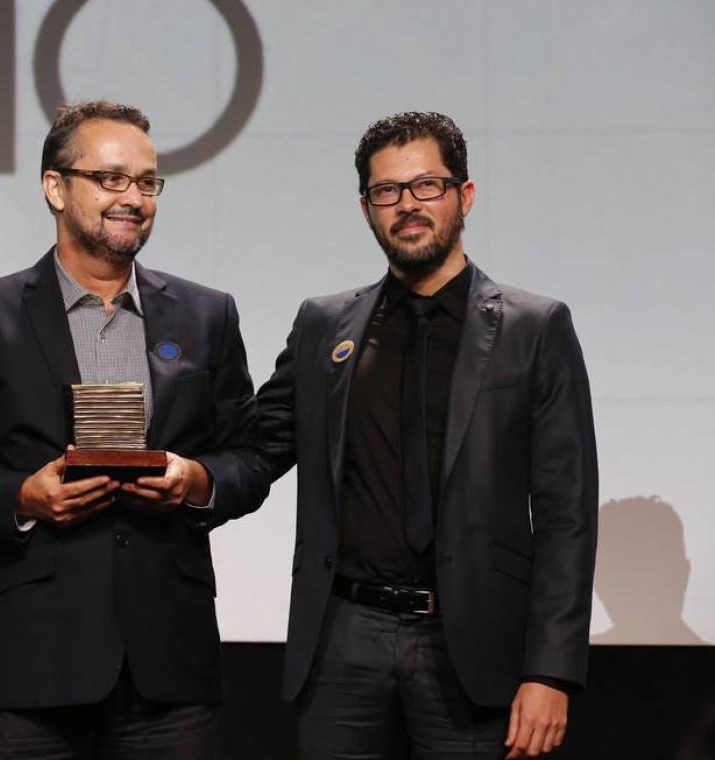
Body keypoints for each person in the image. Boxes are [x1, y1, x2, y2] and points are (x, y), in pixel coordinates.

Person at [0, 100, 268, 758]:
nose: (134, 198)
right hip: (26, 667)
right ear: (55, 188)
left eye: (147, 182)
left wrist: (196, 479)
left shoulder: (206, 315)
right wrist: (22, 497)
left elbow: (248, 455)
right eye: (111, 178)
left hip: (168, 670)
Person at [256, 112, 597, 758]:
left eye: (426, 186)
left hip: (470, 646)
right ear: (365, 208)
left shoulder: (535, 328)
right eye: (386, 191)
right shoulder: (323, 325)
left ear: (463, 196)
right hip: (342, 640)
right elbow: (260, 442)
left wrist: (549, 670)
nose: (406, 205)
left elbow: (566, 516)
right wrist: (182, 472)